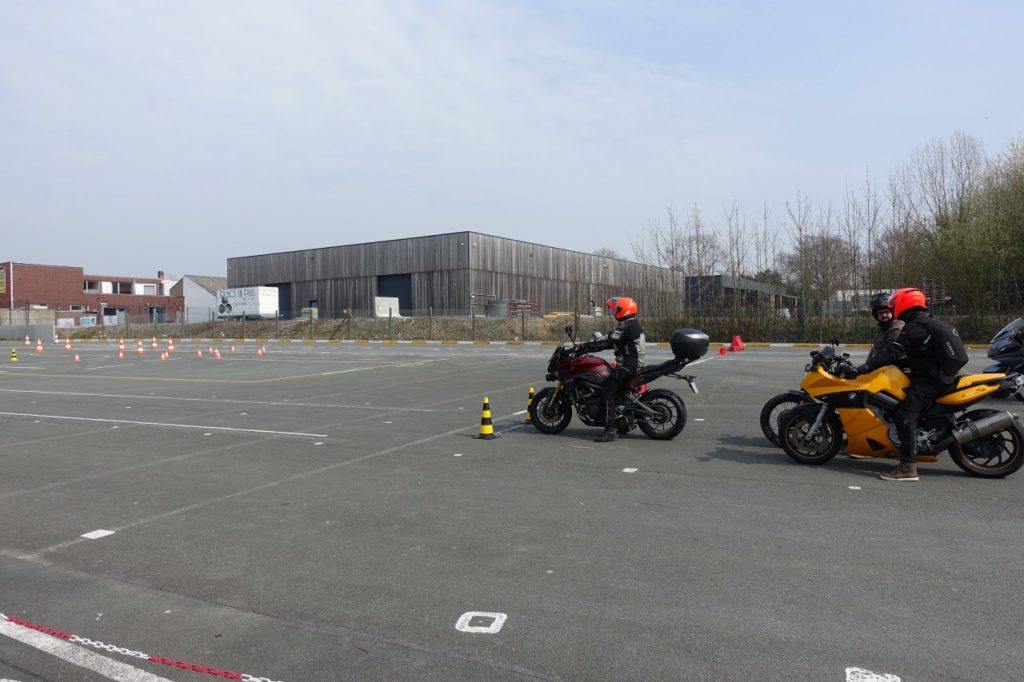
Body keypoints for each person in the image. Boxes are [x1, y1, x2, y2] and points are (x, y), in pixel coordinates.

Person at [856, 287, 968, 481]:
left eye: (894, 304)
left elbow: (894, 350)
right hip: (934, 376)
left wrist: (864, 368)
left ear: (903, 304)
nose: (892, 308)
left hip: (928, 380)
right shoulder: (925, 322)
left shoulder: (916, 326)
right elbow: (917, 353)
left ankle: (908, 467)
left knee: (904, 415)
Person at [579, 296, 646, 442]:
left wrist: (585, 347)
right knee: (613, 385)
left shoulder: (626, 326)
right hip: (632, 365)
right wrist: (591, 345)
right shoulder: (631, 324)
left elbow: (608, 341)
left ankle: (610, 430)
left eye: (617, 309)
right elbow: (612, 341)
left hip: (628, 367)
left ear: (624, 310)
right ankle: (622, 423)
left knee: (607, 389)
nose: (615, 311)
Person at [866, 292, 904, 366]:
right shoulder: (883, 328)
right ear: (876, 315)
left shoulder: (896, 328)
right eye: (880, 313)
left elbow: (889, 354)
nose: (884, 315)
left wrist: (867, 367)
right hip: (881, 370)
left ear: (893, 312)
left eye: (887, 312)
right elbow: (874, 351)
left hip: (891, 373)